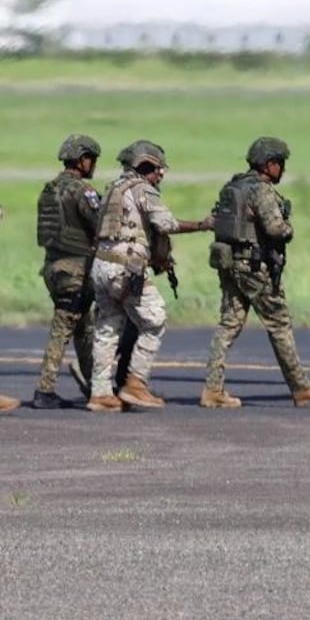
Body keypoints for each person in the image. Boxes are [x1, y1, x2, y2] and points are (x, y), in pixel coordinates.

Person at [200, 137, 310, 409]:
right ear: (269, 165)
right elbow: (275, 229)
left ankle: (212, 389)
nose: (282, 170)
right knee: (279, 324)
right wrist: (288, 228)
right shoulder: (261, 191)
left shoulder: (233, 186)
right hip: (255, 268)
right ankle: (301, 388)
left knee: (228, 324)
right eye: (280, 164)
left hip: (230, 265)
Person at [88, 141, 213, 412]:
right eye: (157, 169)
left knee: (107, 328)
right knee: (154, 319)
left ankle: (100, 392)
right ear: (145, 166)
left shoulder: (112, 188)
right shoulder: (142, 189)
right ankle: (136, 383)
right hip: (125, 267)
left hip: (100, 265)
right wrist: (203, 225)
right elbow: (166, 224)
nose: (161, 175)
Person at [32, 134, 102, 409]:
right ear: (83, 160)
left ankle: (96, 386)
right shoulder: (83, 191)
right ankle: (44, 390)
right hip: (75, 270)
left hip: (53, 268)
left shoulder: (48, 190)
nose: (93, 164)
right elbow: (100, 226)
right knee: (63, 329)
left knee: (84, 329)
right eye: (92, 159)